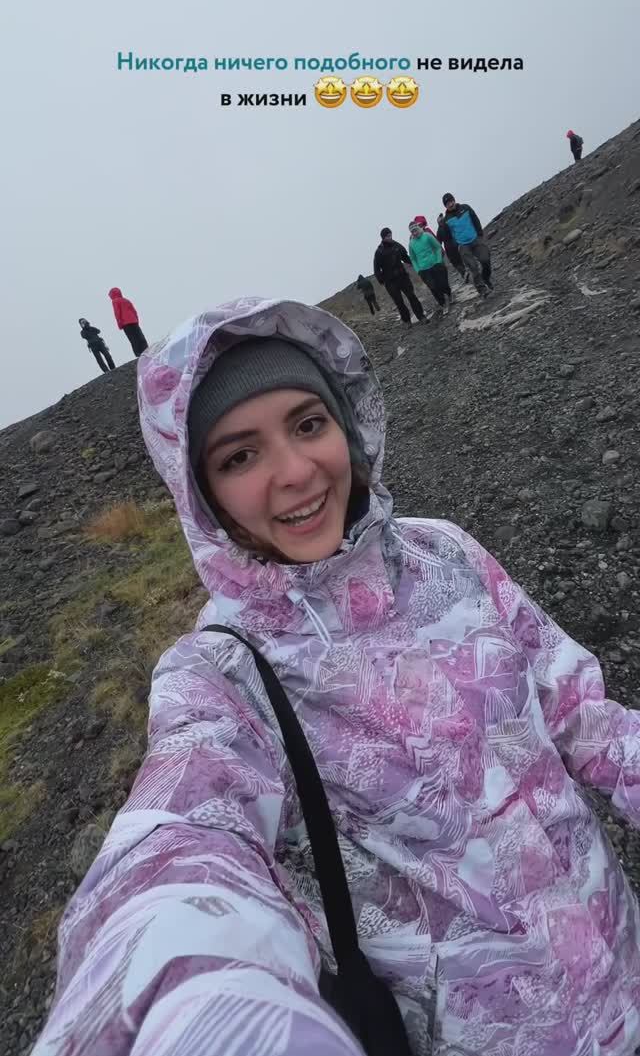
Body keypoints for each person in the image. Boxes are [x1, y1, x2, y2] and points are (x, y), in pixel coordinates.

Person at [33, 294, 640, 1056]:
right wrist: (197, 1015)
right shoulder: (220, 674)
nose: (295, 472)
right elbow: (178, 848)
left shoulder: (444, 552)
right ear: (200, 491)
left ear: (346, 424)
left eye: (308, 423)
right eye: (239, 456)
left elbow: (581, 714)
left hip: (623, 963)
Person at [441, 193, 493, 298]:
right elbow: (446, 236)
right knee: (473, 267)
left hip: (475, 239)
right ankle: (482, 290)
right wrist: (441, 226)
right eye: (447, 203)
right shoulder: (446, 220)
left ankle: (486, 278)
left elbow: (475, 219)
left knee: (485, 260)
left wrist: (479, 234)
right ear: (445, 206)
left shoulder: (465, 208)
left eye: (451, 201)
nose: (450, 204)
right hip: (463, 246)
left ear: (454, 200)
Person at [373, 227, 425, 326]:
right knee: (399, 302)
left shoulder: (396, 245)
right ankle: (407, 321)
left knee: (412, 296)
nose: (390, 237)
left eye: (390, 235)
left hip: (402, 277)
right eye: (387, 236)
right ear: (383, 238)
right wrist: (381, 280)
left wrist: (415, 263)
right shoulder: (379, 251)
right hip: (390, 282)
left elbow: (405, 257)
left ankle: (421, 316)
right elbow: (376, 268)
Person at [408, 220, 452, 315]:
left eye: (415, 230)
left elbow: (437, 247)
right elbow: (413, 259)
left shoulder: (427, 236)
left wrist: (438, 261)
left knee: (443, 283)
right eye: (412, 231)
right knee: (433, 288)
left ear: (418, 228)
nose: (414, 233)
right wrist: (418, 270)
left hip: (435, 264)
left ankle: (449, 295)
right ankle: (443, 304)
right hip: (424, 270)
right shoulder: (411, 243)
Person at [109, 286, 149, 357]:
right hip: (134, 321)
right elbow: (134, 311)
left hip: (125, 323)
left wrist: (119, 324)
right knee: (140, 336)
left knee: (133, 339)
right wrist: (136, 320)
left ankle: (139, 354)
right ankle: (146, 350)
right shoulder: (126, 300)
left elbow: (117, 313)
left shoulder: (115, 301)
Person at [436, 211, 467, 282]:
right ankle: (464, 272)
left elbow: (439, 242)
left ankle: (464, 273)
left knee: (455, 262)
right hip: (455, 243)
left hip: (449, 247)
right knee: (459, 260)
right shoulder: (448, 225)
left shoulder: (439, 230)